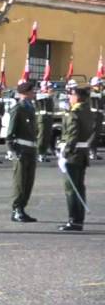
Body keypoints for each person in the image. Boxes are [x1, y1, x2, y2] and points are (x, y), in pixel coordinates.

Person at [57, 86, 94, 231]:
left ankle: (73, 220)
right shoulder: (87, 111)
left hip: (73, 154)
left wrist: (64, 155)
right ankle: (79, 219)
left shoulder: (74, 113)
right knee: (79, 187)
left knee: (71, 189)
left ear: (77, 98)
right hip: (82, 153)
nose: (69, 98)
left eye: (71, 96)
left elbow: (72, 135)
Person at [6, 81, 38, 223]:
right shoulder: (18, 109)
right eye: (32, 91)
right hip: (21, 150)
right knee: (20, 182)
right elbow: (10, 134)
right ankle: (16, 209)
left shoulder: (30, 107)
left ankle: (22, 208)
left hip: (31, 149)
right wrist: (13, 151)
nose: (34, 93)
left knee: (28, 181)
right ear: (26, 92)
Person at [35, 80, 54, 162]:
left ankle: (44, 153)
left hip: (48, 118)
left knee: (47, 136)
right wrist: (46, 93)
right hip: (42, 118)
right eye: (49, 87)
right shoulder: (40, 96)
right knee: (41, 136)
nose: (51, 89)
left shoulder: (49, 97)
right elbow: (39, 98)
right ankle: (39, 153)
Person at [88, 77, 103, 160]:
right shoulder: (91, 93)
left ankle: (93, 152)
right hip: (93, 116)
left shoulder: (99, 93)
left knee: (96, 136)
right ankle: (87, 151)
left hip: (99, 116)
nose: (101, 86)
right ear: (94, 85)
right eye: (99, 84)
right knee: (92, 135)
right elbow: (95, 95)